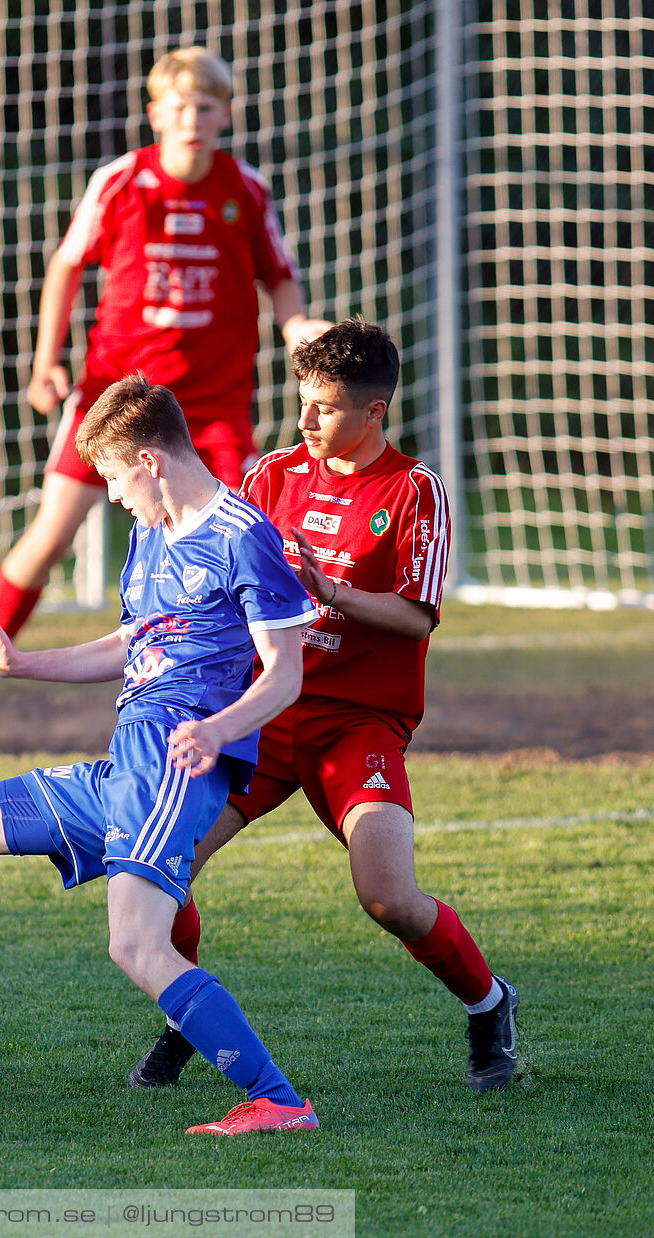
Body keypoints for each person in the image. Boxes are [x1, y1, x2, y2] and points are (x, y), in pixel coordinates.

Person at [0, 375, 323, 1135]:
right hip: (124, 766)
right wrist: (21, 664)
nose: (113, 497)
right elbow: (130, 644)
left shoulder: (241, 535)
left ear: (149, 461)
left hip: (175, 771)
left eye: (115, 478)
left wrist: (221, 729)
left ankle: (281, 1102)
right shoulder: (151, 535)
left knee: (136, 943)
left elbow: (286, 672)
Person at [124, 319, 521, 1094]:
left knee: (388, 897)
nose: (306, 420)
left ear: (374, 413)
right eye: (302, 401)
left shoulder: (413, 490)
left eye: (326, 407)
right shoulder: (273, 474)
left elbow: (416, 615)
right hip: (268, 713)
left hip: (358, 722)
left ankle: (488, 1003)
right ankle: (184, 1019)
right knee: (164, 864)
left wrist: (328, 588)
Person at [0, 46, 332, 742]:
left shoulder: (244, 189)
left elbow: (279, 276)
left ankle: (251, 691)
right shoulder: (122, 181)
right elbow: (68, 263)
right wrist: (47, 361)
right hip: (117, 397)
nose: (193, 120)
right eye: (179, 108)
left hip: (211, 403)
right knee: (49, 537)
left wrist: (297, 328)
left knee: (244, 536)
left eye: (206, 108)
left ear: (226, 114)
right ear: (154, 115)